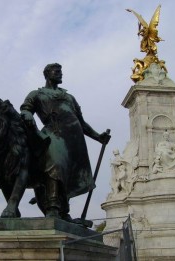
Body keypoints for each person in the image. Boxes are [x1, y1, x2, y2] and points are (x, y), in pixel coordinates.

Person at [20, 63, 110, 220]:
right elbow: (25, 108)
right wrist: (27, 114)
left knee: (69, 174)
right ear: (47, 74)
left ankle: (64, 211)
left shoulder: (69, 97)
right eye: (57, 72)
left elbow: (81, 123)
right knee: (55, 164)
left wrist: (98, 137)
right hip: (54, 133)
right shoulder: (37, 94)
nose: (60, 74)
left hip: (74, 139)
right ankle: (52, 207)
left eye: (61, 72)